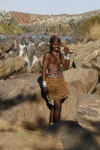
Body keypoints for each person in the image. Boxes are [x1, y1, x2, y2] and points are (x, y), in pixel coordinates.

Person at [42, 35, 70, 126]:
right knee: (58, 106)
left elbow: (66, 67)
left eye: (58, 44)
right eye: (54, 44)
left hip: (60, 81)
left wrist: (67, 54)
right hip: (51, 82)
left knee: (54, 107)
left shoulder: (60, 54)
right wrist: (44, 85)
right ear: (50, 44)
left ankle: (52, 126)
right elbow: (43, 70)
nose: (56, 46)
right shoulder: (48, 54)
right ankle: (57, 128)